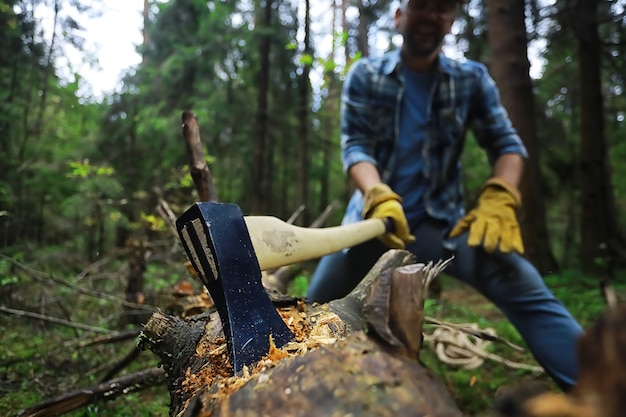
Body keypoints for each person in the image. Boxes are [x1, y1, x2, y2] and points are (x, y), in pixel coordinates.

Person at [306, 0, 583, 391]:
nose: (431, 17)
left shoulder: (470, 80)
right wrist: (378, 195)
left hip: (445, 229)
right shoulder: (366, 75)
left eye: (442, 9)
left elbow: (507, 146)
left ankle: (601, 388)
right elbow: (356, 149)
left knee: (521, 280)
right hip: (373, 227)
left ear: (450, 22)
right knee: (311, 312)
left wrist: (501, 196)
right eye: (421, 6)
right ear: (400, 15)